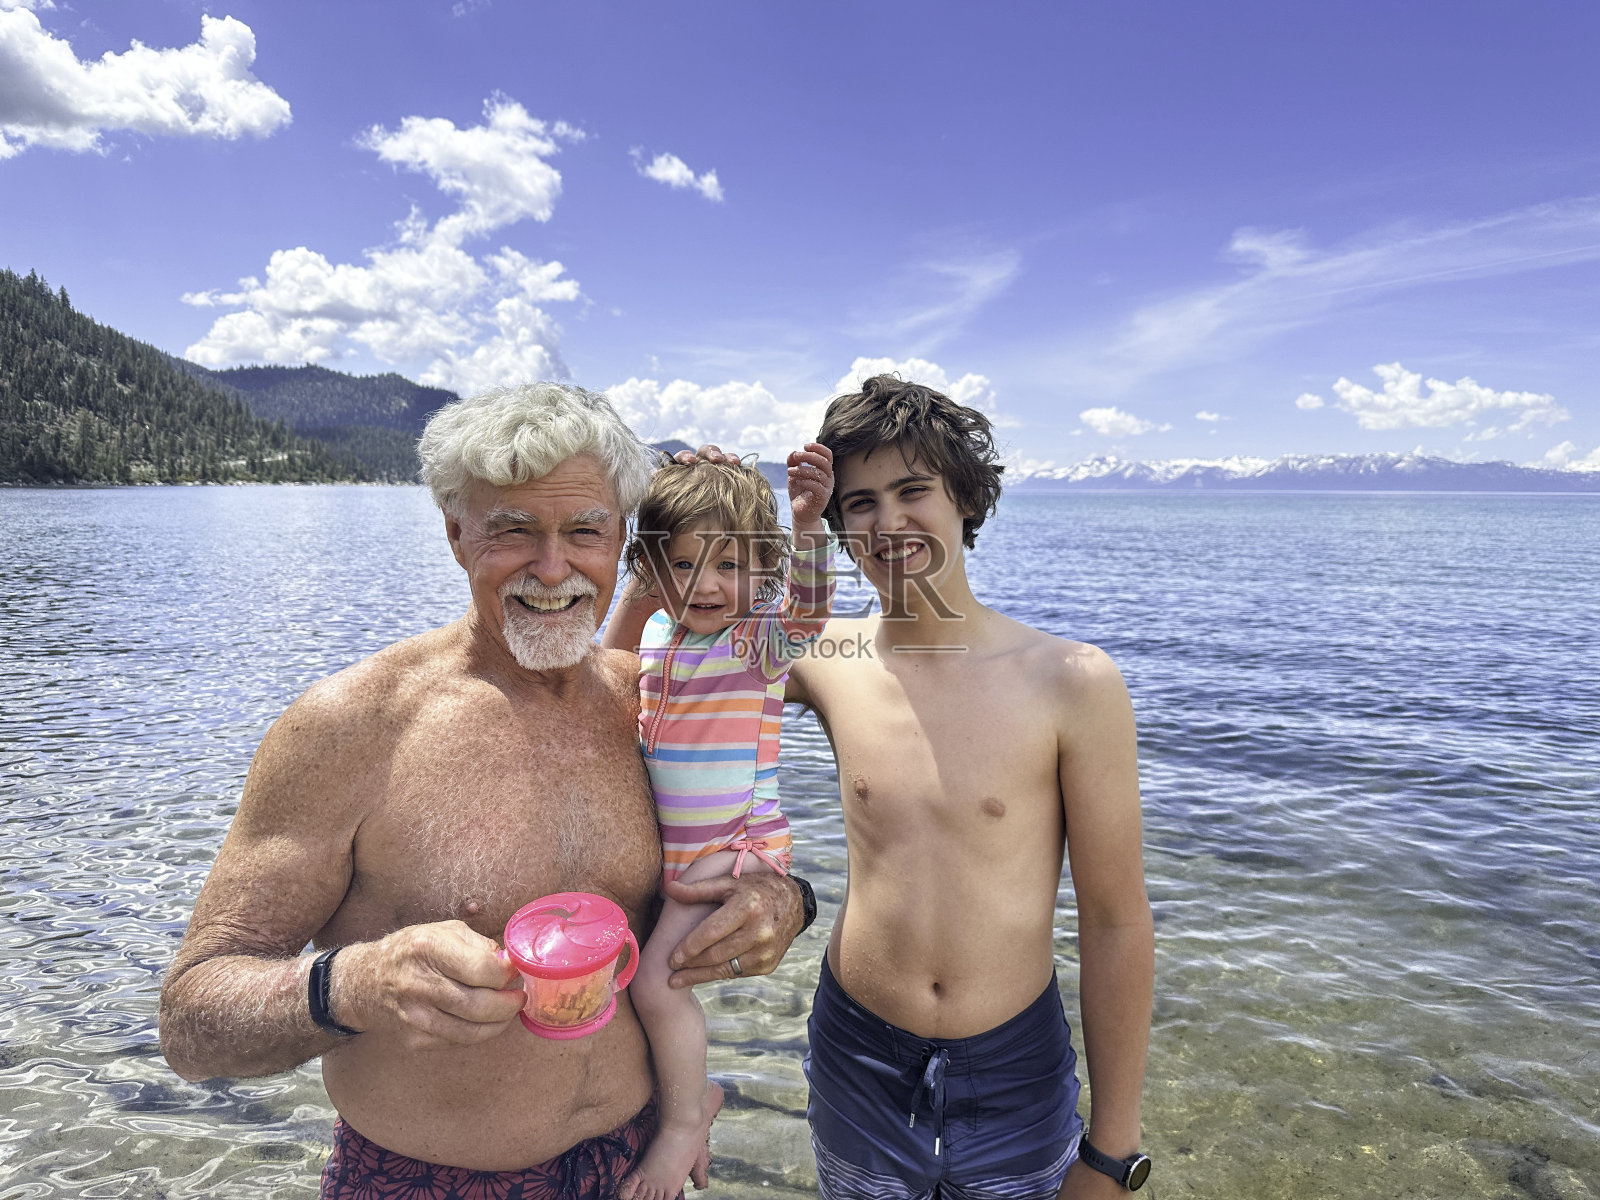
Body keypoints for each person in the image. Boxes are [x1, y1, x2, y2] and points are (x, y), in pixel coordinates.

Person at [157, 383, 811, 1200]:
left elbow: (730, 817)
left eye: (584, 530)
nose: (553, 566)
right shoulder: (354, 726)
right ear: (456, 533)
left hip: (638, 1165)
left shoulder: (642, 700)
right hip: (423, 1180)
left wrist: (785, 902)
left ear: (621, 544)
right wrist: (354, 983)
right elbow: (191, 1022)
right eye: (513, 529)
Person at [695, 375, 1154, 1198]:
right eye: (860, 503)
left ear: (966, 500)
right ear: (838, 525)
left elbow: (1116, 919)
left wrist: (1114, 1151)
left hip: (1013, 1065)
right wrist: (701, 498)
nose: (888, 522)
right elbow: (677, 646)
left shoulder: (1071, 681)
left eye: (914, 490)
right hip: (858, 1055)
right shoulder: (823, 656)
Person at [600, 446, 835, 1200]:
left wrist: (806, 522)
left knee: (659, 988)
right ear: (651, 571)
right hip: (689, 851)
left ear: (762, 571)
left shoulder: (756, 642)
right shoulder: (662, 638)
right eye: (682, 564)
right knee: (643, 978)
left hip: (733, 847)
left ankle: (684, 1120)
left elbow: (809, 609)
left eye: (729, 565)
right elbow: (607, 675)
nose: (705, 584)